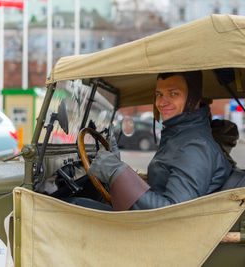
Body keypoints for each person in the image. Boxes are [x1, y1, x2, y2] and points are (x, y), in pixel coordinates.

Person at [89, 71, 232, 211]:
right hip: (152, 223)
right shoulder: (179, 135)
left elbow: (173, 213)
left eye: (174, 94)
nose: (161, 103)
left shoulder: (194, 146)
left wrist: (116, 172)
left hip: (161, 230)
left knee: (75, 203)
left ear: (193, 98)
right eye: (159, 94)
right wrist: (117, 172)